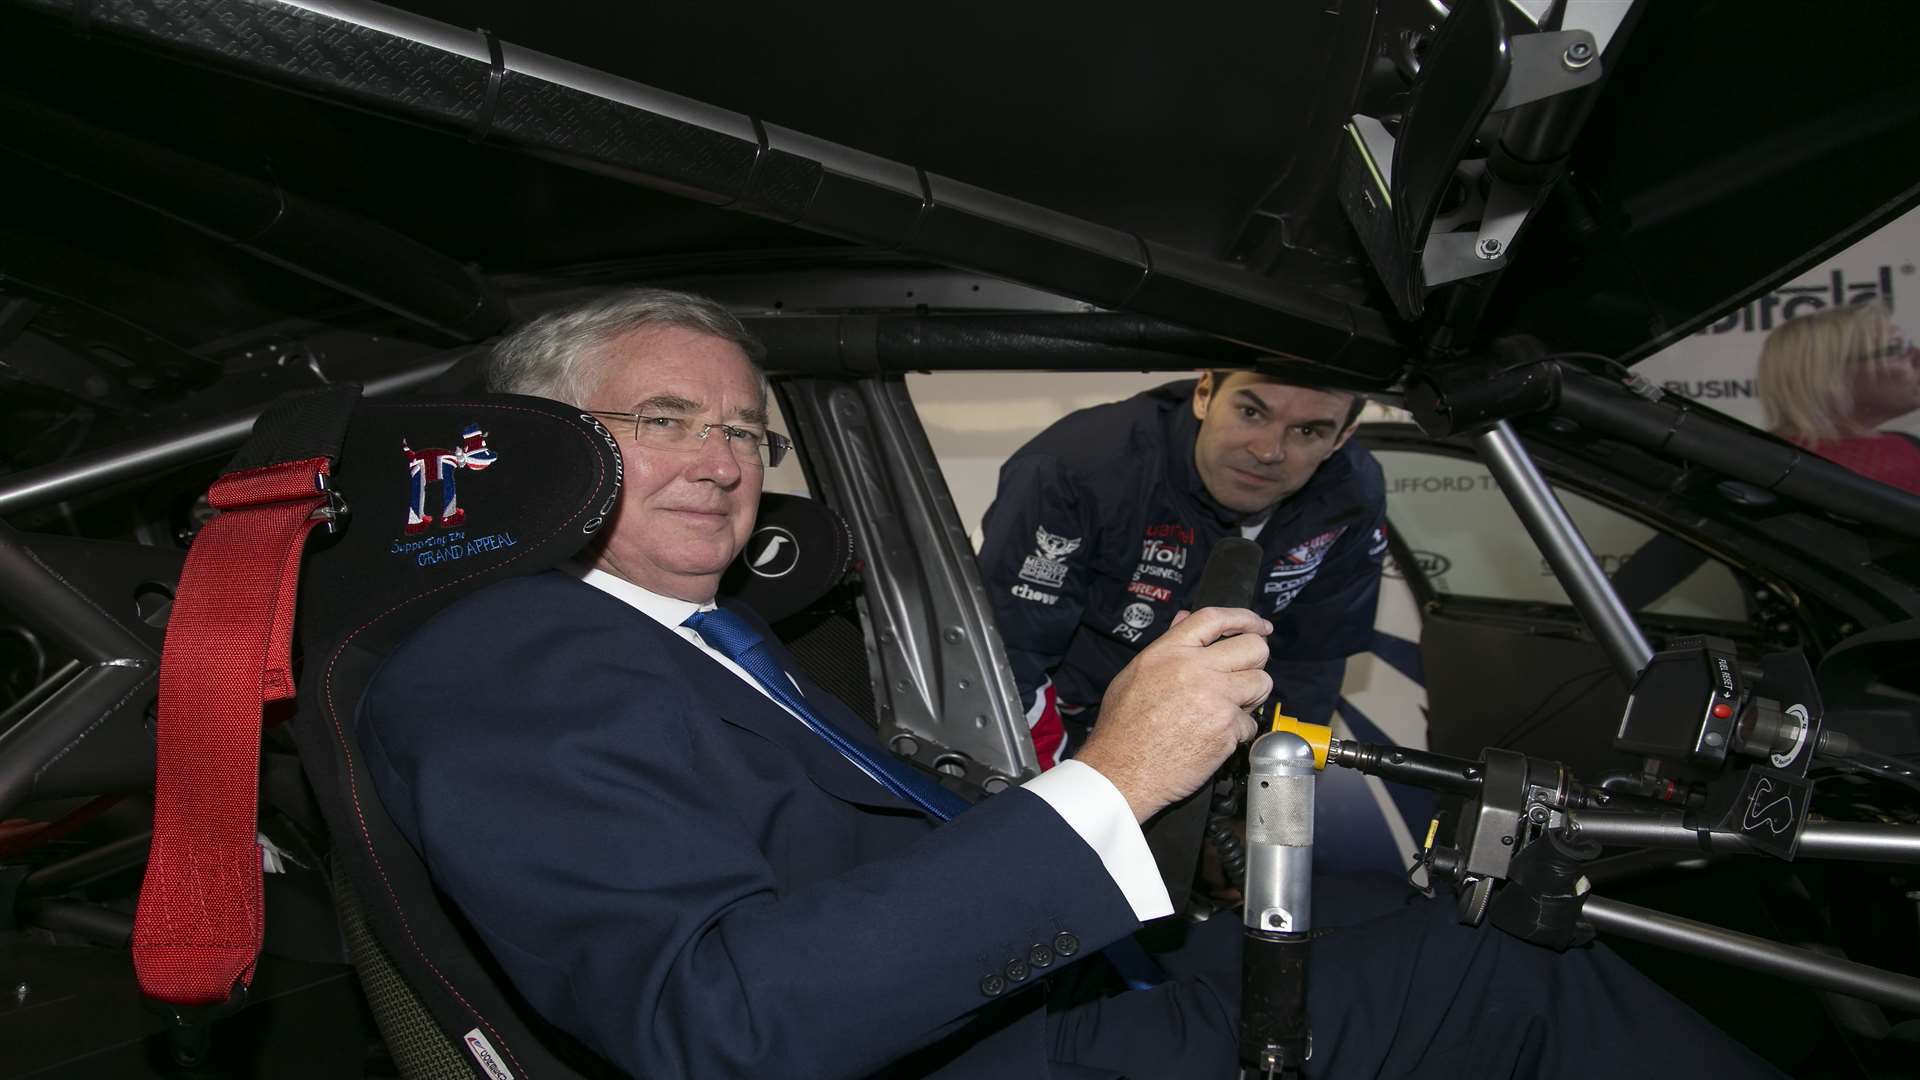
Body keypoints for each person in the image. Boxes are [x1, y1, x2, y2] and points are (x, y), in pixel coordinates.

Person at [358, 288, 1779, 1079]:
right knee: (1508, 980)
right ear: (539, 446)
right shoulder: (507, 655)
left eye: (743, 427)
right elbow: (718, 1025)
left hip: (1019, 993)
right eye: (666, 420)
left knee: (1422, 912)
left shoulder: (688, 634)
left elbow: (1321, 658)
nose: (726, 460)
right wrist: (1112, 779)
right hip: (987, 1053)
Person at [980, 373, 1385, 767]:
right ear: (1204, 393)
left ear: (1342, 438)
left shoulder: (1348, 497)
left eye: (1307, 432)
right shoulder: (1078, 466)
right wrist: (1060, 799)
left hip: (1214, 729)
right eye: (1250, 412)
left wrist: (1268, 792)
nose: (1268, 450)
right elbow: (1010, 660)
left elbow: (1311, 661)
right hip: (1062, 716)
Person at [1757, 301, 1920, 495]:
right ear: (1828, 376)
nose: (1917, 356)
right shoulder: (1766, 464)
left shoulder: (1906, 444)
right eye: (1895, 350)